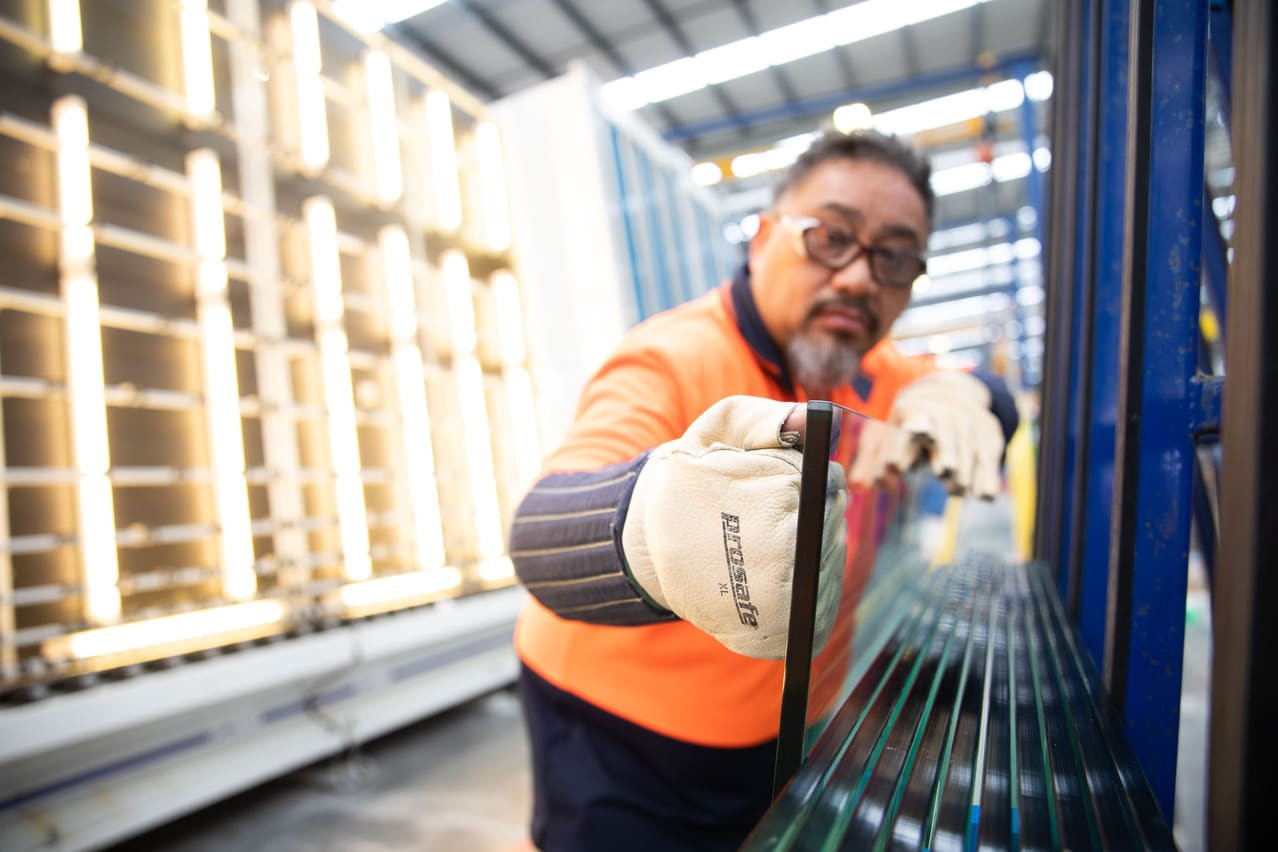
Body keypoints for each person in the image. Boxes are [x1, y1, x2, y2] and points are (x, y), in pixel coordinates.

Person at [508, 129, 1018, 851]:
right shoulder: (673, 358)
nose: (858, 278)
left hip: (786, 733)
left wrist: (972, 396)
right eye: (830, 237)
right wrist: (651, 527)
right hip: (621, 740)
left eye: (895, 257)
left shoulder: (867, 371)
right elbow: (541, 528)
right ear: (762, 238)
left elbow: (977, 393)